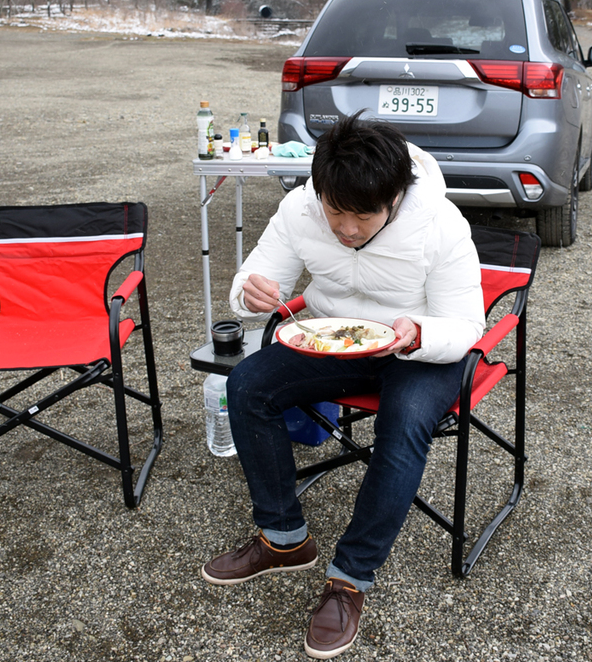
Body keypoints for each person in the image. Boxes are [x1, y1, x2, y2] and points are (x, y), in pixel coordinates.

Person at [200, 112, 485, 659]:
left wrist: (419, 333)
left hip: (420, 348)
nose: (347, 229)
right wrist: (248, 293)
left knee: (403, 424)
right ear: (319, 191)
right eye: (336, 211)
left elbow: (466, 326)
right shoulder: (299, 208)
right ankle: (284, 538)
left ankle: (350, 578)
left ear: (395, 197)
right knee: (248, 384)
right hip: (337, 338)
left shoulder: (440, 223)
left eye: (364, 216)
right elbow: (255, 278)